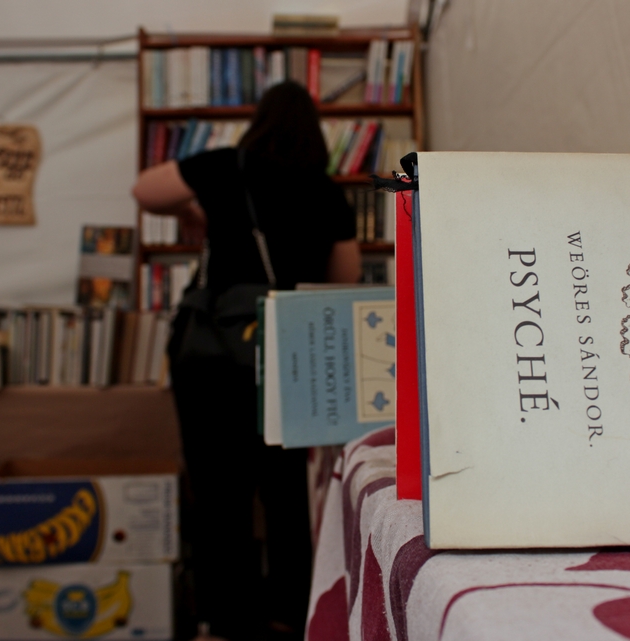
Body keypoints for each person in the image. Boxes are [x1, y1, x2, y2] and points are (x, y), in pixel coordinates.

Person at [132, 81, 361, 641]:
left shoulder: (225, 166)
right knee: (286, 493)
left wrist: (193, 207)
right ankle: (290, 611)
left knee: (217, 491)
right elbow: (344, 281)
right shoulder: (327, 194)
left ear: (259, 123)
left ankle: (227, 618)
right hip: (290, 356)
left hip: (211, 356)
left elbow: (145, 190)